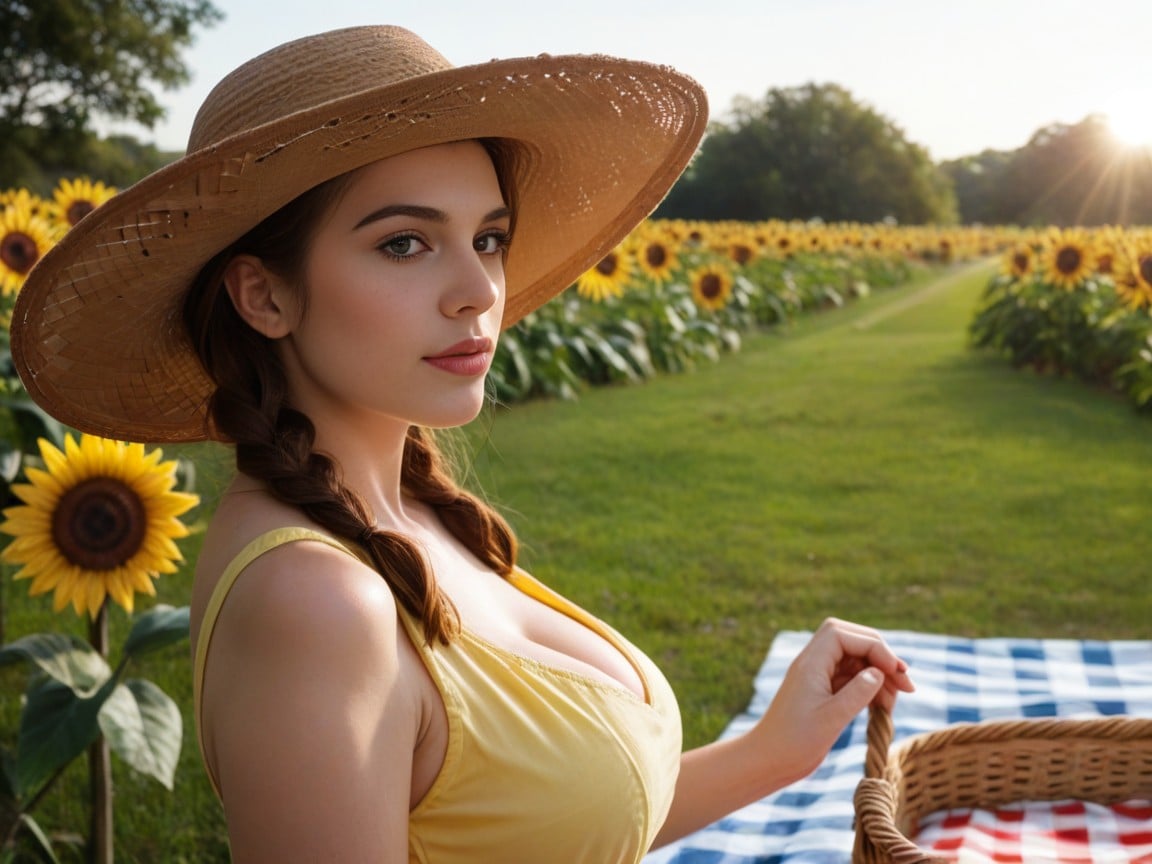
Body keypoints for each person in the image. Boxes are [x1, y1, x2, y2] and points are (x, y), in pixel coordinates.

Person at [11, 25, 914, 864]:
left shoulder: (404, 515)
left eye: (489, 238)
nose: (477, 290)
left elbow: (545, 826)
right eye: (404, 243)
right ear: (264, 296)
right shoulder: (315, 603)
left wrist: (774, 751)